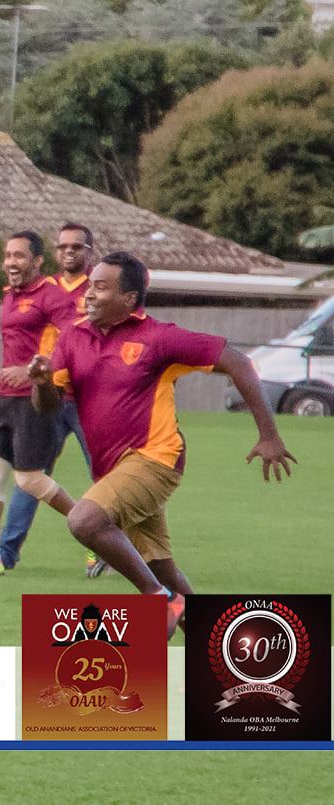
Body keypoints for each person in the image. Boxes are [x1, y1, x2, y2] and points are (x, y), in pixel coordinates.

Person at [27, 251, 296, 636]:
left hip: (156, 460)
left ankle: (156, 599)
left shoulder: (159, 338)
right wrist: (40, 382)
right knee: (162, 569)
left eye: (101, 287)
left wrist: (269, 435)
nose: (89, 294)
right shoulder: (73, 335)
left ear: (130, 299)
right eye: (89, 285)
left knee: (84, 520)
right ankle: (223, 659)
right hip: (114, 471)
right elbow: (48, 408)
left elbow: (238, 362)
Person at [0, 232, 83, 575]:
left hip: (34, 401)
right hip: (5, 400)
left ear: (38, 261)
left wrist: (32, 373)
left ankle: (95, 525)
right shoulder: (10, 296)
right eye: (8, 255)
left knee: (29, 481)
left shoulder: (51, 296)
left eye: (19, 256)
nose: (11, 262)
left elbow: (75, 340)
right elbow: (16, 352)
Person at [0, 221, 99, 575]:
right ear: (53, 253)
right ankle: (5, 553)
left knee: (104, 476)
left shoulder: (100, 288)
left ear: (89, 252)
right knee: (31, 474)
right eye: (63, 246)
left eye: (77, 247)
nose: (69, 252)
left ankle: (104, 546)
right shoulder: (43, 289)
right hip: (49, 395)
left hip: (89, 395)